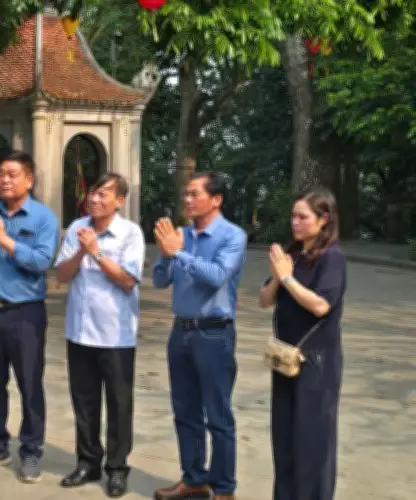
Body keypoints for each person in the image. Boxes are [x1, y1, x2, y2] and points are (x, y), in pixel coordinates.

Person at [0, 150, 59, 483]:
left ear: (29, 180)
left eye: (12, 174)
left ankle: (31, 451)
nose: (4, 179)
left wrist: (3, 239)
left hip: (26, 313)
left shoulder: (43, 218)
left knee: (29, 384)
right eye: (1, 173)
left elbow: (41, 262)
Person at [151, 172, 247, 500]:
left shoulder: (232, 236)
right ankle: (193, 478)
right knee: (185, 411)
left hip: (213, 333)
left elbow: (217, 276)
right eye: (186, 194)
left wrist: (178, 253)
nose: (188, 200)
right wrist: (166, 254)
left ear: (216, 199)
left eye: (195, 194)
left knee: (218, 415)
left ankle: (224, 488)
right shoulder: (181, 235)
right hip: (181, 332)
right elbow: (159, 281)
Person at [54, 173, 145, 498]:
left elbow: (128, 280)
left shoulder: (130, 233)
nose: (94, 199)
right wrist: (81, 251)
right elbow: (62, 275)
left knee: (119, 405)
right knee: (84, 403)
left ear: (119, 201)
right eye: (93, 193)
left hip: (116, 335)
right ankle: (88, 462)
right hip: (80, 333)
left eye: (103, 194)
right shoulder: (78, 228)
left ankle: (117, 468)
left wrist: (96, 252)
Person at [258, 189, 346, 500]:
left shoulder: (331, 258)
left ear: (323, 220)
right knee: (284, 438)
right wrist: (277, 277)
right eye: (293, 216)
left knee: (312, 441)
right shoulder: (291, 255)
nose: (295, 222)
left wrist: (288, 279)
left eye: (303, 217)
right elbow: (264, 300)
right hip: (286, 358)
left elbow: (321, 306)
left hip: (317, 362)